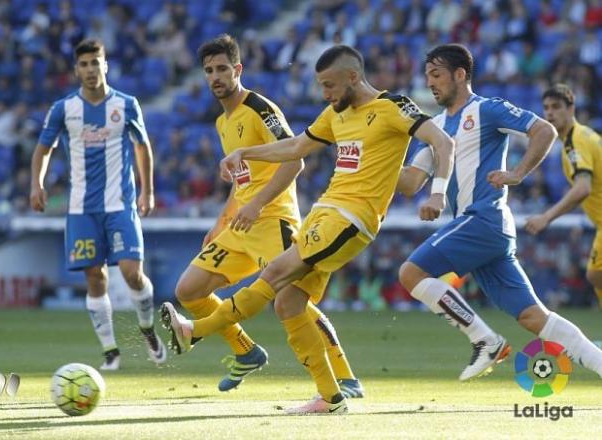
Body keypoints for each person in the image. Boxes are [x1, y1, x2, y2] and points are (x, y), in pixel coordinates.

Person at [161, 44, 455, 414]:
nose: (325, 94)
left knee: (277, 273)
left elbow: (443, 141)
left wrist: (439, 194)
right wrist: (244, 154)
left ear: (353, 77)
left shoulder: (393, 106)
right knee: (289, 302)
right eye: (321, 86)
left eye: (330, 85)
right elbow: (297, 146)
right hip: (323, 212)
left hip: (350, 218)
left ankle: (194, 331)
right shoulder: (335, 114)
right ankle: (331, 398)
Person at [171, 34, 364, 397]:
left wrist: (257, 203)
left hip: (273, 219)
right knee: (189, 290)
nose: (215, 76)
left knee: (292, 298)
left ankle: (346, 376)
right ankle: (246, 352)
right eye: (209, 70)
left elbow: (296, 160)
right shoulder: (222, 123)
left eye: (222, 69)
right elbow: (240, 179)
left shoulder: (261, 108)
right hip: (239, 224)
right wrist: (221, 221)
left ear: (238, 69)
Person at [397, 44, 602, 381]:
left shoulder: (486, 110)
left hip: (483, 218)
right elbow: (410, 183)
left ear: (460, 75)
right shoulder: (434, 127)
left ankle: (485, 341)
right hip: (481, 230)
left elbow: (543, 130)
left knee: (411, 273)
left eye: (436, 75)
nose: (430, 83)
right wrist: (377, 156)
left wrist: (518, 172)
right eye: (427, 76)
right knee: (534, 318)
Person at [30, 38, 166, 370]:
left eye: (96, 62)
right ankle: (110, 351)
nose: (91, 69)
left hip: (120, 204)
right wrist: (36, 183)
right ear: (76, 70)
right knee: (95, 277)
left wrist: (148, 191)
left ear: (106, 65)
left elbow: (142, 147)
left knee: (133, 274)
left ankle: (147, 328)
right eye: (84, 64)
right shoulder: (64, 109)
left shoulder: (126, 104)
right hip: (80, 209)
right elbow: (43, 148)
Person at [527, 84, 602, 308]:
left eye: (556, 107)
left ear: (571, 109)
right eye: (546, 108)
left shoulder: (574, 142)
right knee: (596, 275)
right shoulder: (584, 135)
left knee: (596, 275)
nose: (550, 113)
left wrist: (546, 217)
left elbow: (583, 188)